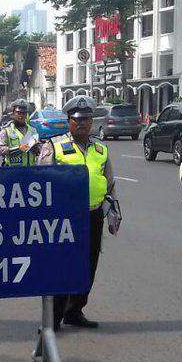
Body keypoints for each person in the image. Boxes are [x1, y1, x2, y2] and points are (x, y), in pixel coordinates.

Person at [39, 95, 120, 330]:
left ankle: (74, 311)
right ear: (69, 121)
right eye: (77, 119)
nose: (82, 123)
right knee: (62, 267)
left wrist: (114, 210)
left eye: (86, 119)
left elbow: (110, 183)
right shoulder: (54, 146)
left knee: (88, 266)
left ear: (91, 121)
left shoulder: (101, 149)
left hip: (93, 215)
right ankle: (53, 318)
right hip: (64, 218)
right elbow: (41, 183)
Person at [0, 99, 40, 166]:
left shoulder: (33, 130)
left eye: (23, 113)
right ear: (13, 113)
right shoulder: (6, 130)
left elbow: (39, 149)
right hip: (13, 169)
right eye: (18, 112)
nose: (21, 115)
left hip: (30, 169)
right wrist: (18, 149)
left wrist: (36, 148)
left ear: (26, 114)